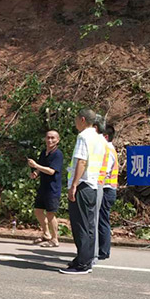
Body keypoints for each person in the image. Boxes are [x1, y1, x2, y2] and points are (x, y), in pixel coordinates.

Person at [61, 109, 107, 275]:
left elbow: (81, 161)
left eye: (75, 119)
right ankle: (85, 259)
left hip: (82, 184)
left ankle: (82, 263)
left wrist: (74, 185)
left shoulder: (83, 137)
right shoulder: (100, 138)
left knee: (80, 225)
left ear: (82, 119)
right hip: (92, 185)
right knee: (89, 225)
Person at [27, 131, 63, 248]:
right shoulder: (44, 152)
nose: (50, 140)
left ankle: (55, 239)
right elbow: (41, 167)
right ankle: (46, 234)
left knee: (50, 213)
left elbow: (51, 171)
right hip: (43, 187)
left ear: (58, 140)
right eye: (48, 138)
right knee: (38, 211)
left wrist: (36, 165)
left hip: (52, 188)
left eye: (53, 138)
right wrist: (36, 173)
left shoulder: (58, 154)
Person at [97, 122, 119, 260]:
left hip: (106, 190)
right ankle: (101, 249)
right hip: (107, 189)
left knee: (102, 220)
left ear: (105, 136)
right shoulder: (109, 149)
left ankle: (103, 251)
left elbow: (104, 172)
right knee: (101, 220)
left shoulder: (107, 151)